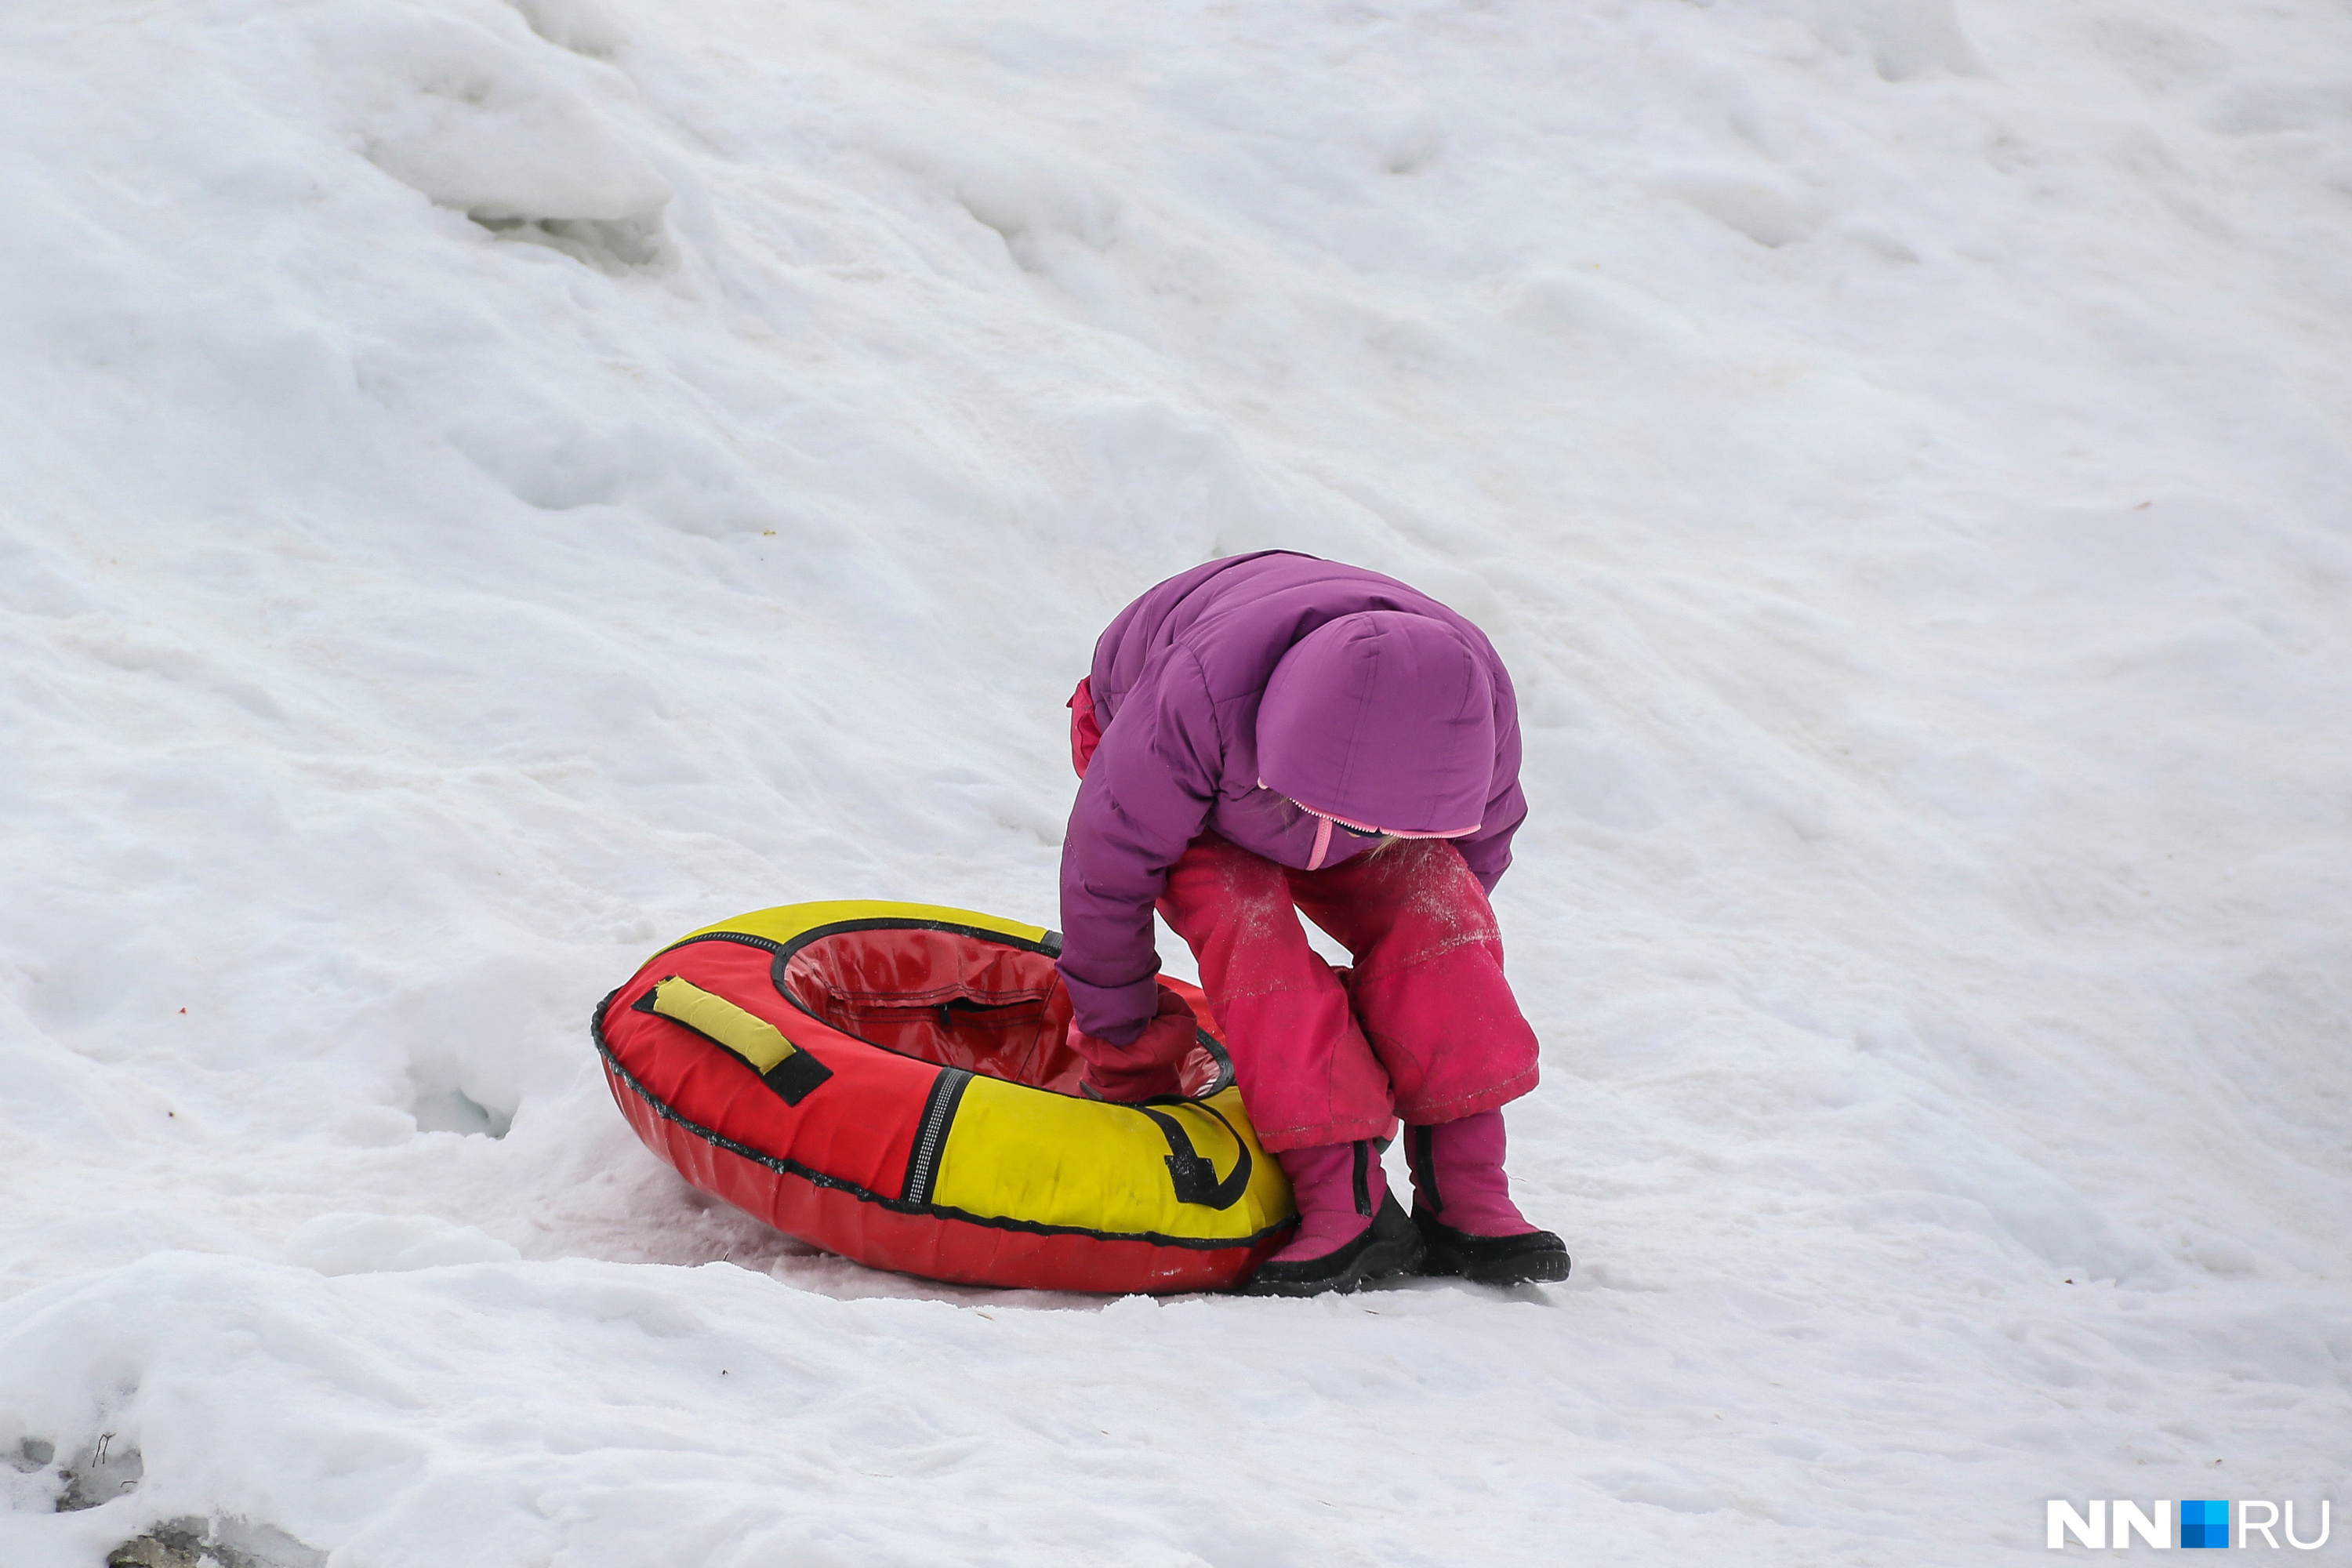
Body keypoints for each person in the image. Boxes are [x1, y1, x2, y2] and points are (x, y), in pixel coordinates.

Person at [1057, 550, 1569, 1295]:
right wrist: (1124, 1045)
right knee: (1250, 929)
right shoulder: (1190, 702)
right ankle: (1343, 1195)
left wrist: (1404, 992)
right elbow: (1103, 877)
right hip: (1198, 772)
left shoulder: (1473, 704)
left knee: (1440, 913)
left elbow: (1475, 865)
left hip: (1367, 778)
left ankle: (1469, 1185)